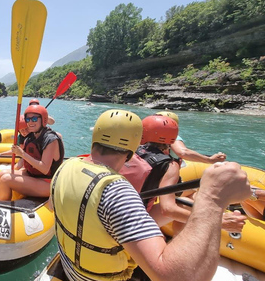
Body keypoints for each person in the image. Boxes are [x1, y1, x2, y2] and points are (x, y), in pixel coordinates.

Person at [51, 109, 251, 281]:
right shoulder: (117, 192)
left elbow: (53, 206)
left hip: (71, 268)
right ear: (131, 152)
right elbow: (177, 276)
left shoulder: (65, 167)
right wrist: (213, 202)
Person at [137, 114, 246, 232]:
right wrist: (219, 222)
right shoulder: (169, 165)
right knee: (187, 204)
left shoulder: (129, 152)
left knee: (186, 200)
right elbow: (168, 209)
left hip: (118, 210)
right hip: (133, 220)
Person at [0, 104, 64, 201]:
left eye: (34, 119)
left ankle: (0, 207)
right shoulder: (31, 137)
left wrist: (22, 154)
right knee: (1, 174)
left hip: (48, 182)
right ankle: (6, 199)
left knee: (5, 179)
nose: (30, 122)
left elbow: (44, 169)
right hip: (34, 176)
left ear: (43, 120)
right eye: (28, 119)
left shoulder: (50, 139)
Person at [156, 111, 227, 164]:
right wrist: (209, 160)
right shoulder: (171, 136)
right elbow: (183, 152)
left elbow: (183, 153)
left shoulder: (149, 135)